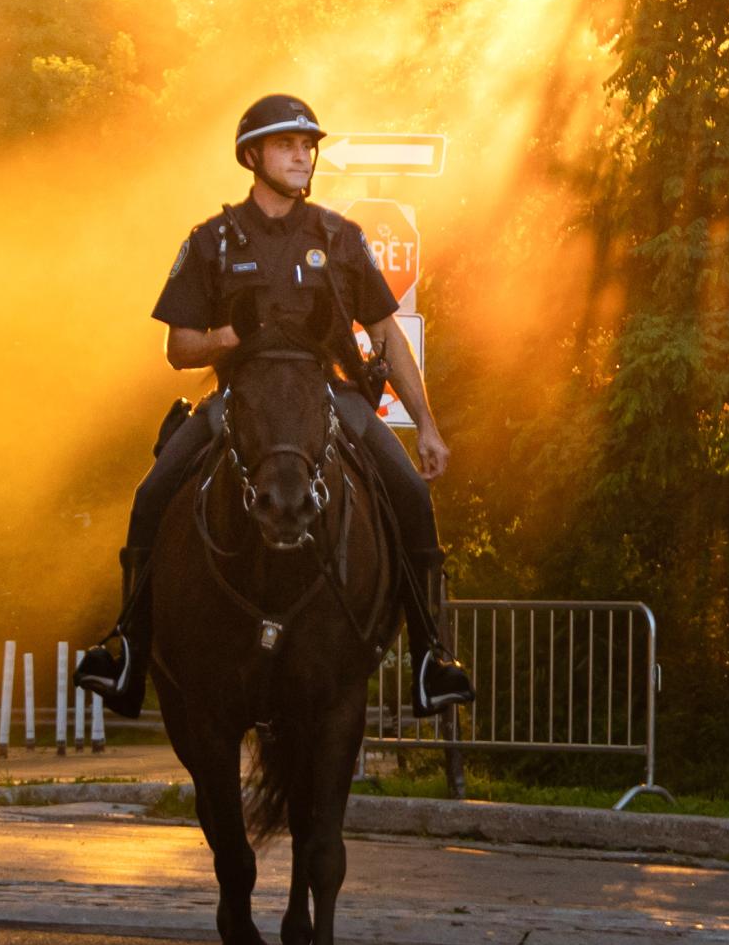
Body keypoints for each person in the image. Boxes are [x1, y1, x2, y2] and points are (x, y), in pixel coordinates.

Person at [75, 93, 475, 719]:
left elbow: (387, 333)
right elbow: (178, 347)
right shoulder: (211, 240)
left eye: (307, 146)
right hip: (237, 400)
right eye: (288, 145)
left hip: (328, 396)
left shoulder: (341, 239)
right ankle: (128, 648)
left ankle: (431, 658)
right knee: (151, 494)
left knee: (412, 495)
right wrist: (229, 338)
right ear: (253, 155)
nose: (302, 155)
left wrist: (426, 424)